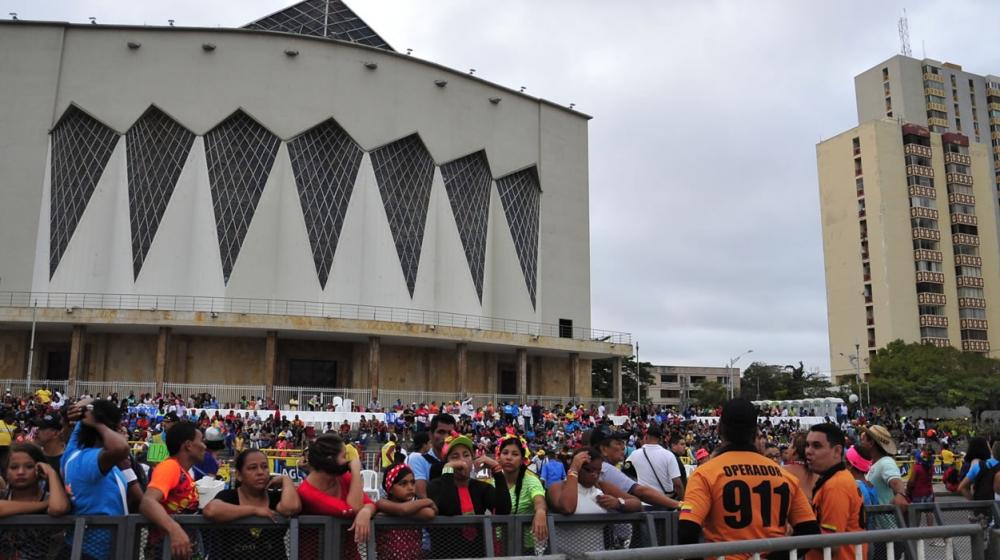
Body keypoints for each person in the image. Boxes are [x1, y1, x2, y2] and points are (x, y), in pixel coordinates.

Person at [679, 399, 819, 554]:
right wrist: (781, 557)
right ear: (755, 432)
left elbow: (687, 530)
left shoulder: (704, 474)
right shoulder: (784, 475)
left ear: (719, 429)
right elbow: (809, 528)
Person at [62, 398, 144, 559]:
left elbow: (88, 404)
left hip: (107, 548)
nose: (121, 429)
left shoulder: (73, 450)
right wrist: (100, 425)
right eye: (118, 426)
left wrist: (78, 410)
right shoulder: (86, 460)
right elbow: (121, 447)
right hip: (89, 552)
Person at [202, 449, 302, 559]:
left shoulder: (275, 498)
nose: (260, 472)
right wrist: (255, 510)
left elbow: (291, 508)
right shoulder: (229, 496)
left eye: (264, 467)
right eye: (252, 468)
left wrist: (286, 480)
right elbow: (211, 510)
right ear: (239, 475)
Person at [427, 434, 511, 557]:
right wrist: (448, 469)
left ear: (472, 460)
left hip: (478, 554)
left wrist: (497, 470)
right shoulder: (435, 486)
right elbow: (448, 509)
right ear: (446, 463)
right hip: (445, 556)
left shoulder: (482, 488)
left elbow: (503, 510)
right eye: (455, 457)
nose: (462, 460)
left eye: (466, 455)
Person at [547, 448, 641, 554]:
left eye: (598, 471)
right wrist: (573, 470)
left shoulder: (602, 487)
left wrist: (618, 503)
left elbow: (636, 503)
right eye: (588, 470)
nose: (594, 475)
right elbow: (567, 507)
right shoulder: (558, 487)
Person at [297, 433, 375, 560]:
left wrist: (366, 511)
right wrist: (356, 471)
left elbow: (370, 503)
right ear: (329, 459)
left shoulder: (342, 478)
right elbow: (353, 508)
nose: (347, 461)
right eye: (344, 456)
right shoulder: (306, 492)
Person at [140, 422, 207, 560]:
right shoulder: (170, 467)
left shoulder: (183, 472)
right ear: (188, 445)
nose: (204, 446)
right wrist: (174, 529)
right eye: (201, 441)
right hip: (165, 550)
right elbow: (148, 502)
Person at [804, 423, 866, 560]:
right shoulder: (837, 479)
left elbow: (832, 543)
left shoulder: (836, 485)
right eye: (807, 445)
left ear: (837, 451)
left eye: (816, 446)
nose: (808, 451)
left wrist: (800, 524)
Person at [0, 442, 71, 559]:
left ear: (40, 469)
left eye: (29, 466)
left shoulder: (52, 499)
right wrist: (42, 505)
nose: (21, 472)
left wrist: (51, 473)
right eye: (14, 467)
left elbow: (58, 508)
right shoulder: (3, 496)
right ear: (6, 472)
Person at [588, 427, 681, 510]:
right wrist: (677, 504)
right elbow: (641, 492)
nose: (623, 447)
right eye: (618, 443)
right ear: (604, 449)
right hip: (655, 505)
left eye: (622, 443)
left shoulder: (634, 454)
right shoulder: (606, 468)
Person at [859, 425, 907, 560]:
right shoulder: (874, 464)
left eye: (864, 439)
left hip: (888, 534)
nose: (861, 443)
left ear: (871, 442)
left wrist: (900, 494)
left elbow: (896, 481)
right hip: (880, 533)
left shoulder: (886, 462)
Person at [496, 435, 548, 549]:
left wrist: (540, 512)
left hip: (526, 548)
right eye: (505, 453)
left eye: (515, 454)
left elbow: (539, 500)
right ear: (499, 457)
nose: (509, 457)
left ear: (522, 460)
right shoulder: (492, 482)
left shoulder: (531, 481)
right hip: (499, 545)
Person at [374, 463, 436, 560]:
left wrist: (392, 512)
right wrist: (428, 501)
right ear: (390, 488)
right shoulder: (382, 503)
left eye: (412, 482)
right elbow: (403, 510)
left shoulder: (414, 506)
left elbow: (430, 513)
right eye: (403, 483)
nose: (410, 487)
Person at [631, 424, 684, 504]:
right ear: (660, 439)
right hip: (666, 503)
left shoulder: (634, 454)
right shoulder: (668, 455)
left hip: (644, 503)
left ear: (646, 437)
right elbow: (678, 485)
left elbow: (626, 475)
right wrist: (681, 501)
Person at [410, 413, 455, 498]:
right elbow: (422, 495)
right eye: (441, 432)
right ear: (430, 435)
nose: (446, 437)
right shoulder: (419, 460)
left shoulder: (460, 459)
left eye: (450, 433)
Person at [957, 436, 1000, 501]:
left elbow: (962, 487)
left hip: (983, 507)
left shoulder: (978, 466)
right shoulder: (977, 463)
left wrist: (976, 502)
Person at [783, 432, 818, 501]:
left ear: (794, 451)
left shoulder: (783, 471)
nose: (788, 447)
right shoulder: (819, 473)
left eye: (791, 444)